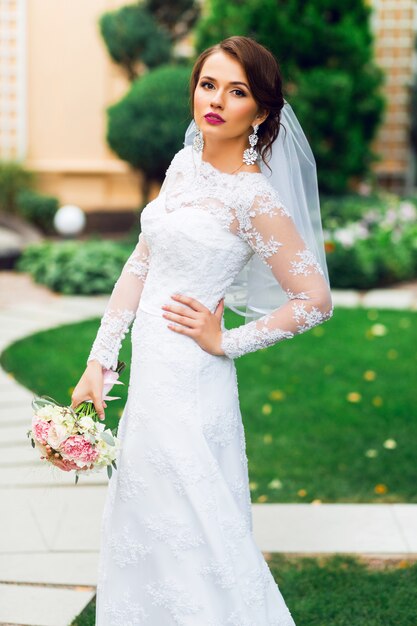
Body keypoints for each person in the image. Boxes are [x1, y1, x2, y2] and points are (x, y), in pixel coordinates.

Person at [70, 35, 333, 625]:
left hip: (193, 378)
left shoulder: (252, 197)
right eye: (208, 84)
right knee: (147, 515)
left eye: (236, 91)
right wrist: (99, 361)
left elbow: (314, 299)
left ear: (260, 112)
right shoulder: (184, 165)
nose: (215, 100)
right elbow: (142, 261)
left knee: (195, 523)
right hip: (152, 376)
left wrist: (228, 341)